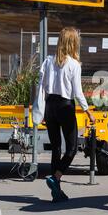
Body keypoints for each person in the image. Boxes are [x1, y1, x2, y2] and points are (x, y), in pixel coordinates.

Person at [36, 27, 95, 202]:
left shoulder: (48, 61)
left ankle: (56, 192)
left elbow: (42, 85)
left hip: (50, 105)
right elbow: (78, 92)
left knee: (56, 147)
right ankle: (56, 177)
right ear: (73, 43)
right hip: (65, 106)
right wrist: (87, 111)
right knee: (72, 147)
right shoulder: (74, 65)